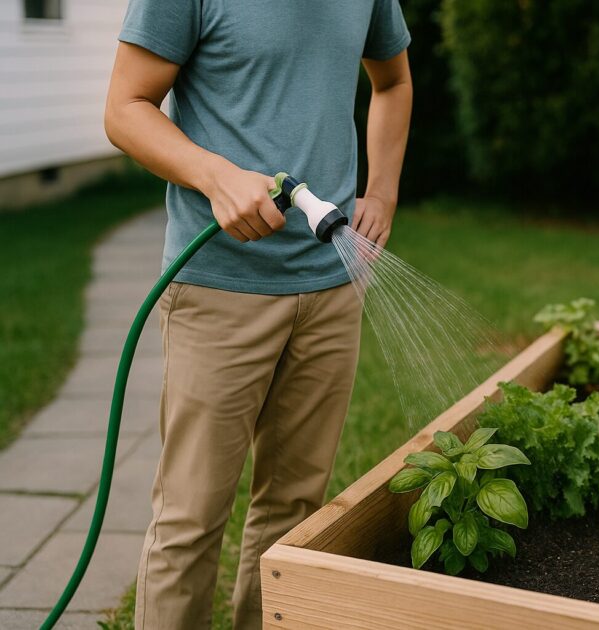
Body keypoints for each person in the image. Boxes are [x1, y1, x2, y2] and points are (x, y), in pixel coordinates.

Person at [103, 1, 411, 627]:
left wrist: (382, 190)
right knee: (191, 519)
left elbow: (394, 79)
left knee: (294, 514)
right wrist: (215, 176)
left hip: (331, 286)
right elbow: (124, 109)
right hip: (221, 289)